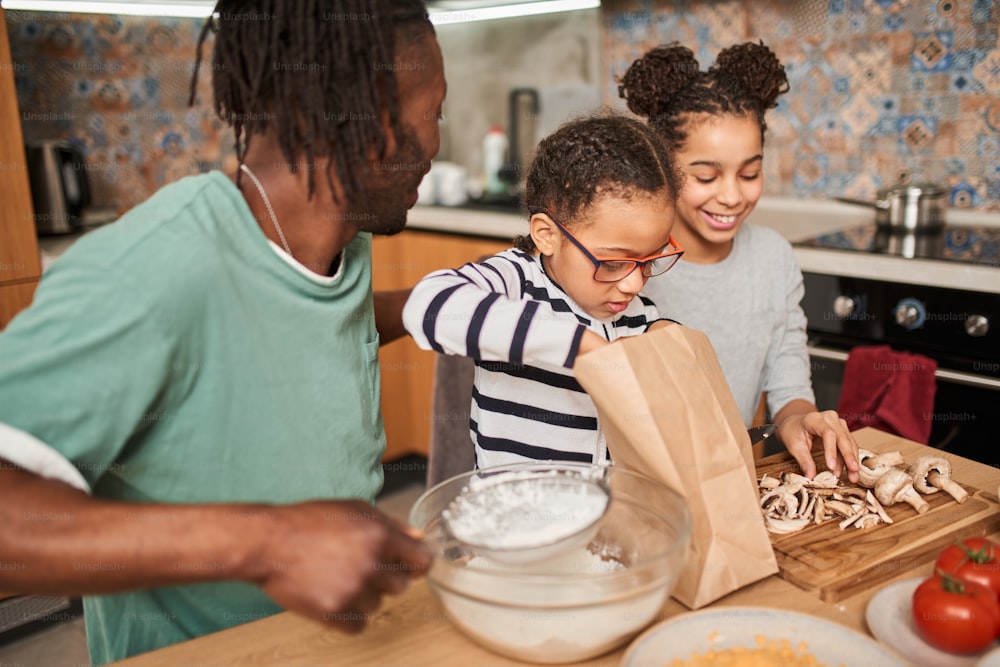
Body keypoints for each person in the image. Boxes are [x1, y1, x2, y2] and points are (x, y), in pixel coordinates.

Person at [0, 1, 444, 663]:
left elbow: (287, 330)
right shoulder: (154, 269)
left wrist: (431, 306)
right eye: (432, 112)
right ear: (369, 122)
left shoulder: (337, 242)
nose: (438, 144)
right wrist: (269, 543)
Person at [617, 41, 860, 483]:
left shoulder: (773, 258)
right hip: (637, 489)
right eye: (706, 176)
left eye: (749, 174)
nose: (731, 195)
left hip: (732, 487)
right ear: (661, 166)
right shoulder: (626, 267)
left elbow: (789, 387)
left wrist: (800, 419)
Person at [403, 113, 683, 469]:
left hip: (608, 514)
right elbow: (427, 306)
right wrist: (582, 347)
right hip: (515, 515)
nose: (635, 283)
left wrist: (664, 340)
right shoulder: (514, 282)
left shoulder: (640, 314)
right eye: (612, 263)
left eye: (650, 261)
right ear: (547, 235)